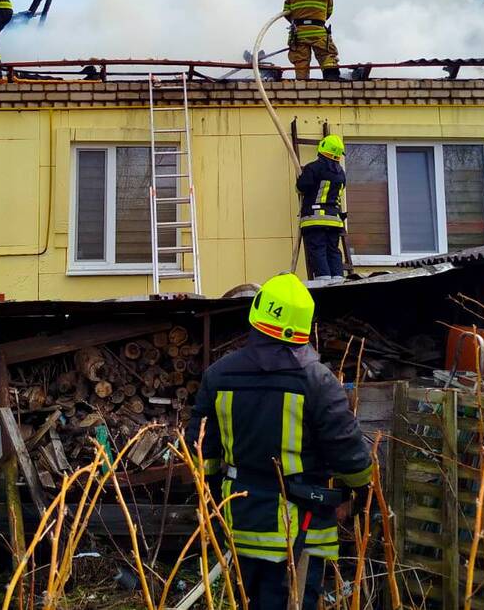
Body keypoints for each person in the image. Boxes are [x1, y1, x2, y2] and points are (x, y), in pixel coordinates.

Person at [186, 273, 373, 610]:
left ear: (257, 314)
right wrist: (359, 493)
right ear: (304, 326)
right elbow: (350, 455)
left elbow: (202, 452)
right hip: (299, 530)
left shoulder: (218, 375)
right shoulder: (318, 382)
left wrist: (215, 499)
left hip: (239, 522)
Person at [296, 134, 346, 284]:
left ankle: (323, 281)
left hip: (315, 219)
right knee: (333, 250)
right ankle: (338, 280)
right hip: (334, 221)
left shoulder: (313, 168)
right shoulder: (341, 173)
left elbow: (301, 187)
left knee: (318, 249)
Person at [283, 0, 339, 80]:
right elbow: (329, 11)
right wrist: (317, 20)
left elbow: (286, 12)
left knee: (301, 61)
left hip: (299, 33)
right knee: (326, 55)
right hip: (318, 31)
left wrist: (298, 22)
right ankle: (331, 78)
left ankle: (302, 82)